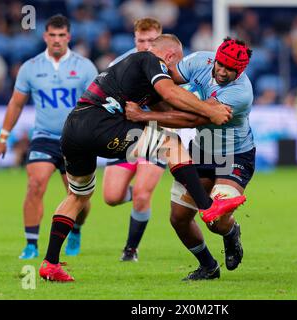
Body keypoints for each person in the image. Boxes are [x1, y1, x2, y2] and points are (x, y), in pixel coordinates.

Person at [38, 34, 247, 282]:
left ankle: (50, 263)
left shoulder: (136, 78)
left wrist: (200, 112)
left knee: (78, 195)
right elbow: (170, 93)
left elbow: (169, 112)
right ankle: (208, 207)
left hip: (73, 129)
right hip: (102, 125)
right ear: (169, 56)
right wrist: (210, 109)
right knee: (171, 143)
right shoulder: (150, 59)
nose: (174, 72)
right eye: (174, 65)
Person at [127, 37, 255, 280]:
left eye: (230, 69)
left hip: (235, 154)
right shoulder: (199, 60)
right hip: (202, 150)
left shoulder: (240, 93)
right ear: (215, 58)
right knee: (179, 218)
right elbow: (168, 82)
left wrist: (143, 116)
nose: (222, 71)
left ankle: (230, 233)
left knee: (215, 219)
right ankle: (208, 266)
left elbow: (193, 119)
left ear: (240, 72)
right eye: (220, 64)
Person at [0, 14, 98, 259]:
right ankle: (31, 244)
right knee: (35, 184)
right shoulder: (31, 67)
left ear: (69, 37)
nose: (57, 40)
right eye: (52, 35)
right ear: (45, 36)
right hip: (44, 136)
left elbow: (97, 105)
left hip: (76, 139)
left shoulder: (85, 67)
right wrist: (3, 136)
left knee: (78, 196)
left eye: (62, 35)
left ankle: (76, 229)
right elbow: (16, 104)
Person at [102, 18, 165, 262]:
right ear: (134, 39)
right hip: (126, 134)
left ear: (160, 38)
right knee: (112, 197)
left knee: (141, 193)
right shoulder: (119, 64)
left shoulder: (171, 65)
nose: (147, 45)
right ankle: (142, 198)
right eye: (142, 40)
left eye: (152, 40)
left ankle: (130, 249)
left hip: (157, 133)